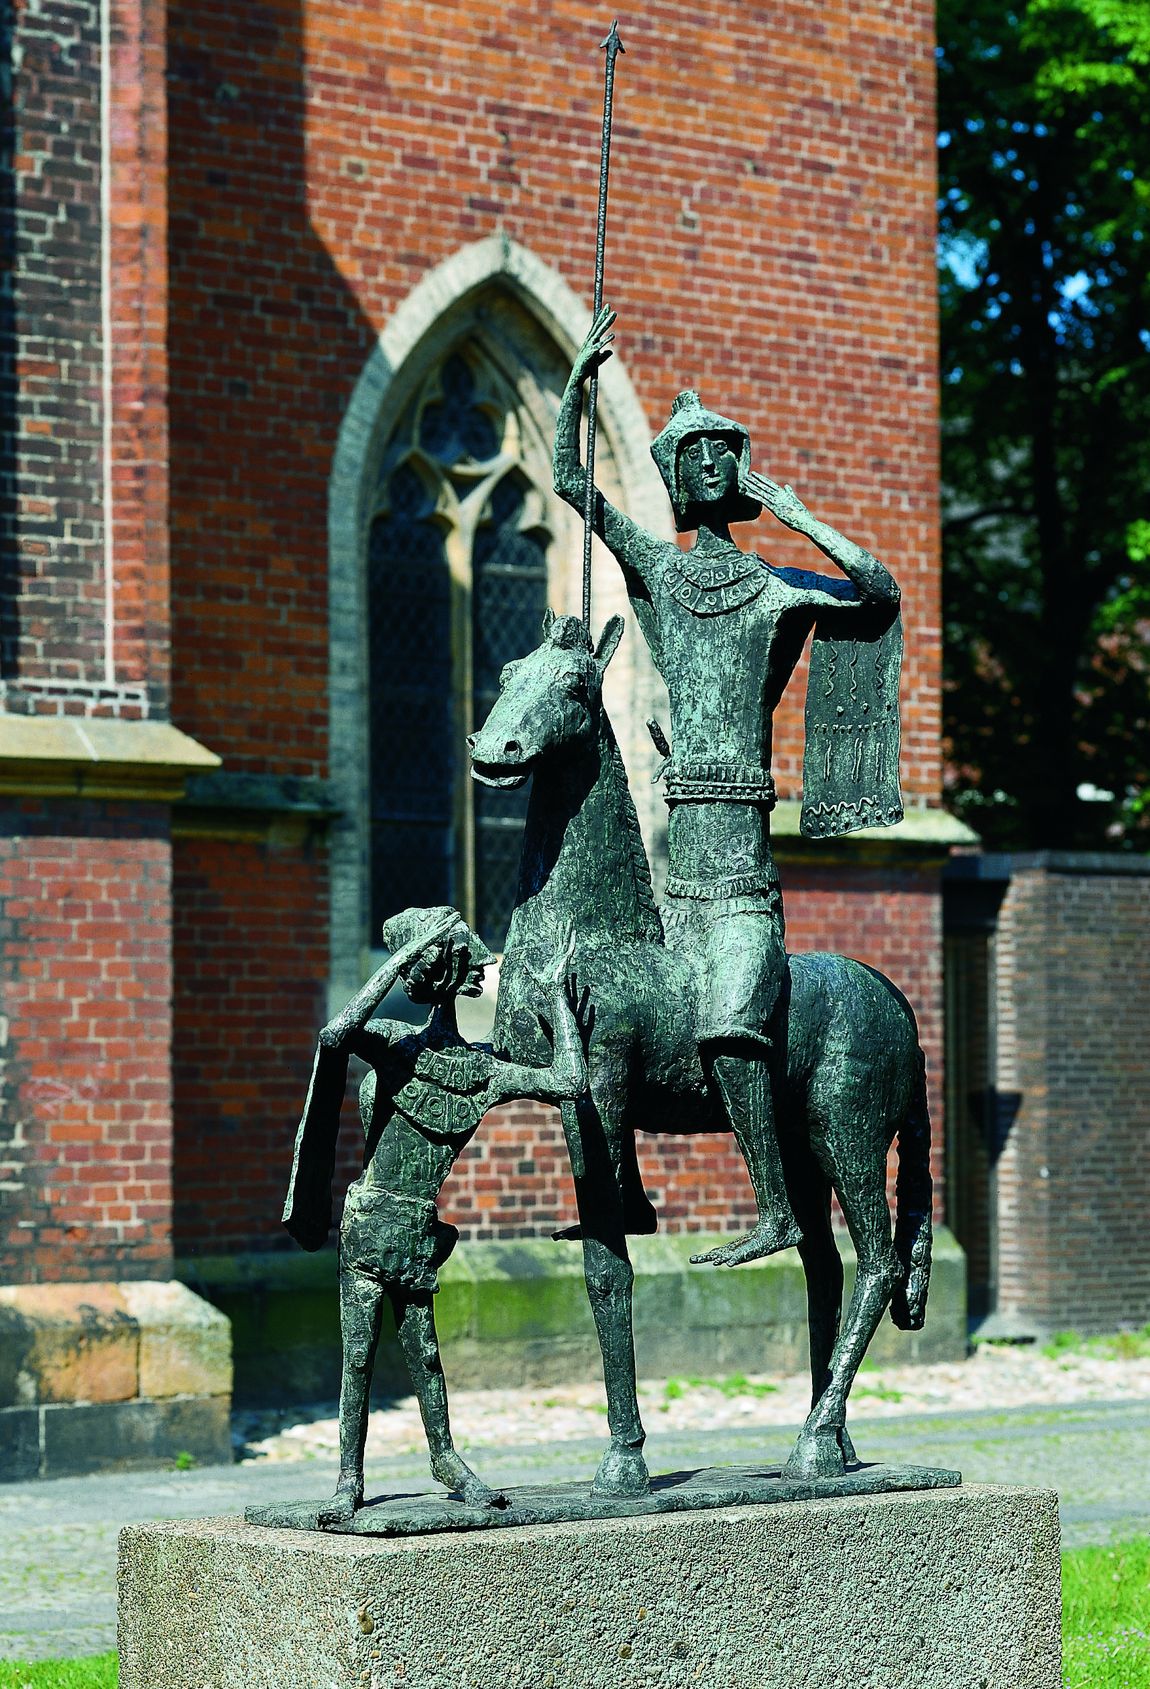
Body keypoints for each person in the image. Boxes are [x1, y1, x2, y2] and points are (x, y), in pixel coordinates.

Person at [553, 305, 901, 1266]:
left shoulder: (778, 588)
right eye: (692, 454)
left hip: (744, 868)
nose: (709, 464)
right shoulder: (660, 573)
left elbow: (876, 592)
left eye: (723, 453)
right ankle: (617, 1191)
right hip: (680, 875)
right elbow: (572, 481)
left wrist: (794, 513)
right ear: (672, 477)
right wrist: (578, 385)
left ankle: (780, 1206)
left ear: (738, 474)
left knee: (730, 1020)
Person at [282, 906, 586, 1522]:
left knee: (424, 1353)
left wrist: (556, 995)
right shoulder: (393, 1047)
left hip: (417, 1228)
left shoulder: (482, 1069)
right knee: (358, 1354)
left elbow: (570, 1082)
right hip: (371, 1223)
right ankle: (349, 1480)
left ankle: (446, 1460)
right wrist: (404, 956)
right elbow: (335, 1035)